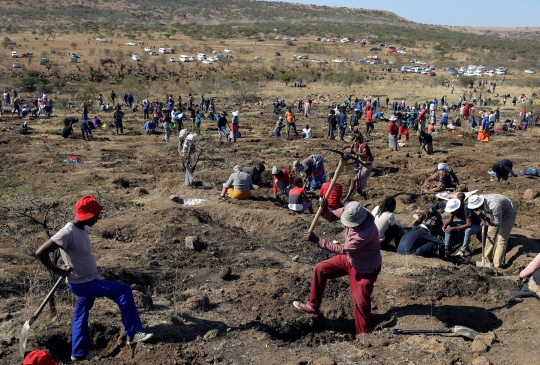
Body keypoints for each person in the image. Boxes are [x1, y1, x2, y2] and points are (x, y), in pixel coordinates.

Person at [35, 196, 153, 361]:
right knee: (123, 290)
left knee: (80, 314)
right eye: (96, 215)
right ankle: (133, 333)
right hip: (84, 283)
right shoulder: (67, 232)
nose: (98, 218)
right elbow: (41, 252)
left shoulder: (82, 227)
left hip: (85, 280)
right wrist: (57, 270)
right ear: (88, 216)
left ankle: (78, 352)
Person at [293, 201, 381, 337]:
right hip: (350, 259)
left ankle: (362, 335)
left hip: (364, 268)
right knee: (321, 268)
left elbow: (343, 249)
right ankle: (313, 305)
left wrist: (317, 240)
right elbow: (331, 216)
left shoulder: (367, 233)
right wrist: (325, 208)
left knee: (360, 303)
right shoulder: (352, 209)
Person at [468, 194, 517, 268]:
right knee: (490, 235)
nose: (474, 210)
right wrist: (483, 218)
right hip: (496, 213)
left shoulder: (494, 205)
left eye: (475, 208)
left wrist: (485, 217)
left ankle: (496, 265)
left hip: (508, 213)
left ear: (479, 204)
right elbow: (483, 212)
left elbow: (497, 223)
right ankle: (486, 260)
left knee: (501, 239)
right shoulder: (481, 201)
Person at [344, 133, 373, 201]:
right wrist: (347, 164)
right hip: (362, 168)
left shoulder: (364, 145)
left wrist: (354, 153)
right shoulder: (359, 149)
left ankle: (365, 199)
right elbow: (356, 160)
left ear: (357, 141)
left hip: (366, 168)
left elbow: (365, 154)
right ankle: (347, 198)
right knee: (353, 181)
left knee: (361, 186)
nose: (354, 143)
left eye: (354, 141)